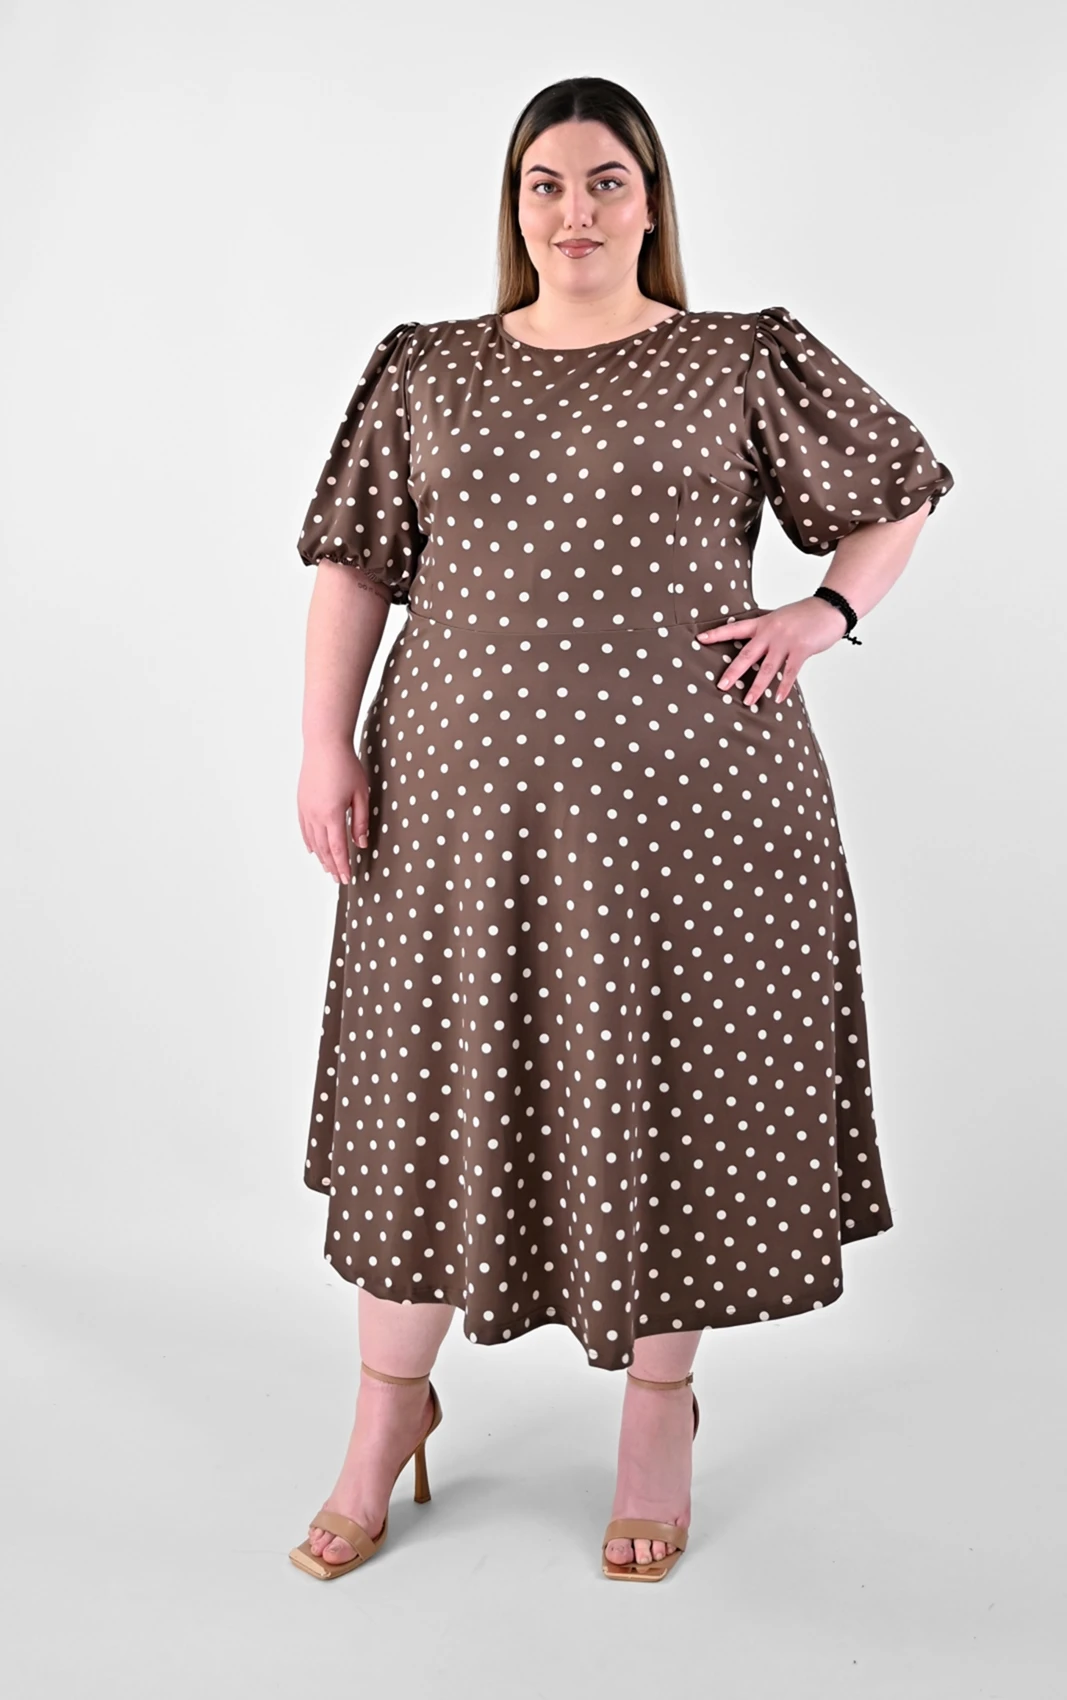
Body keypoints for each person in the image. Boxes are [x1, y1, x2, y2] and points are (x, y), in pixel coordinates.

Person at [288, 75, 955, 1585]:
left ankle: (659, 1414)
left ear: (650, 202)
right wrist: (322, 743)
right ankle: (386, 1414)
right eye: (546, 183)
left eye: (604, 181)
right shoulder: (428, 365)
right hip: (452, 813)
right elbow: (355, 564)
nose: (573, 210)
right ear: (513, 206)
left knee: (666, 1087)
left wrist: (826, 610)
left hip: (694, 813)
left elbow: (902, 487)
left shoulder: (736, 355)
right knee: (429, 1093)